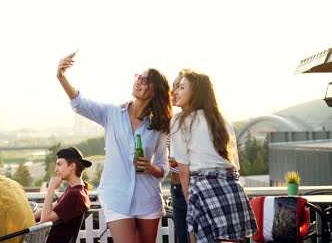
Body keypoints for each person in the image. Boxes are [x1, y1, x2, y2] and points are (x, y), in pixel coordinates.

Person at [56, 52, 172, 243]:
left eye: (144, 80)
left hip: (147, 198)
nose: (138, 82)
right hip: (116, 197)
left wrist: (152, 168)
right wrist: (61, 77)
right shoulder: (112, 114)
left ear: (155, 90)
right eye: (138, 77)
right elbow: (79, 104)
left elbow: (163, 165)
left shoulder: (159, 126)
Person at [169, 69, 257, 243]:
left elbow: (183, 170)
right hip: (232, 190)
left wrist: (189, 203)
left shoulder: (179, 121)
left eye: (181, 87)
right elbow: (234, 166)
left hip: (202, 189)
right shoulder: (222, 120)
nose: (176, 92)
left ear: (195, 92)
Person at [34, 147, 92, 243]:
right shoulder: (74, 190)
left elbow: (45, 221)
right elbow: (52, 207)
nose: (56, 169)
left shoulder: (75, 195)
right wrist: (28, 218)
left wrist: (51, 189)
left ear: (72, 166)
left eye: (59, 164)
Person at [167, 69, 190, 243]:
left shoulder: (198, 121)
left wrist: (182, 159)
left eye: (179, 86)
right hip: (175, 189)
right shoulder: (173, 120)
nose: (173, 91)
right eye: (173, 86)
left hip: (190, 189)